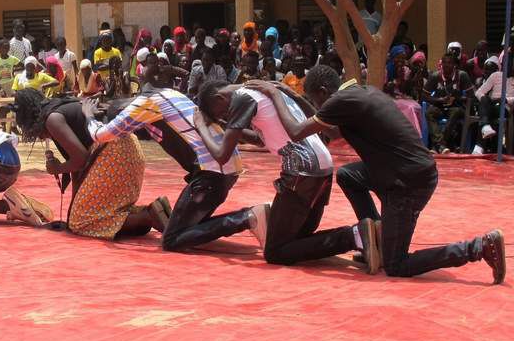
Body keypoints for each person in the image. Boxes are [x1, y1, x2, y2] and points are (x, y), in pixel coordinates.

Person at [257, 64, 505, 283]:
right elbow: (333, 134)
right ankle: (375, 232)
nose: (319, 106)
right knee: (348, 176)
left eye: (316, 100)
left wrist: (275, 94)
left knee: (396, 264)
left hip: (407, 183)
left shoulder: (341, 102)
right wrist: (295, 96)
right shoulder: (358, 94)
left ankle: (478, 248)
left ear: (323, 91)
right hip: (404, 171)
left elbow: (297, 130)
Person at [197, 80, 376, 269]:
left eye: (222, 113)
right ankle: (362, 235)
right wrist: (227, 125)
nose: (226, 116)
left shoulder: (241, 98)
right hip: (321, 167)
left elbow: (222, 155)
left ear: (219, 97)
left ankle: (355, 235)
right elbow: (260, 140)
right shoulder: (263, 91)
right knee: (296, 239)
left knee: (275, 252)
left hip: (302, 171)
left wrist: (201, 126)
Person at [81, 84, 250, 252]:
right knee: (192, 228)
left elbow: (102, 135)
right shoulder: (170, 94)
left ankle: (247, 217)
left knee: (172, 239)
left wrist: (88, 115)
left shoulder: (144, 105)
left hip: (211, 174)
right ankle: (168, 216)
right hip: (228, 170)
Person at [13, 89, 167, 239]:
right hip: (127, 150)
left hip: (113, 153)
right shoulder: (61, 107)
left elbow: (80, 159)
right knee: (83, 217)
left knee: (82, 223)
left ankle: (148, 217)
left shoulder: (53, 119)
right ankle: (154, 211)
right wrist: (73, 210)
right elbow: (78, 170)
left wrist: (57, 168)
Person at [423, 54, 473, 153]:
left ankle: (437, 145)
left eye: (449, 63)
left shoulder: (462, 75)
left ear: (454, 65)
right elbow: (424, 95)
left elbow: (471, 96)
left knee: (455, 112)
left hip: (456, 106)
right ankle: (441, 145)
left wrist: (457, 98)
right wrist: (439, 100)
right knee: (429, 113)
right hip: (439, 106)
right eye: (444, 63)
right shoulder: (435, 76)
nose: (446, 65)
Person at [473, 54, 514, 154]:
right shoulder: (495, 75)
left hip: (504, 107)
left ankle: (480, 145)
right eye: (505, 63)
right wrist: (484, 99)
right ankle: (485, 126)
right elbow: (479, 92)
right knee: (485, 100)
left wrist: (505, 100)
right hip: (490, 104)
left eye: (510, 64)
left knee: (486, 111)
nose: (508, 66)